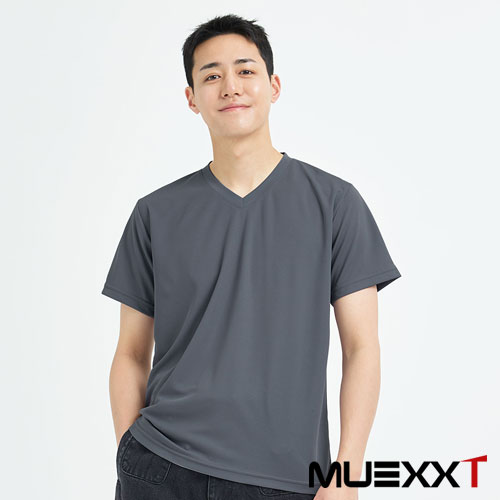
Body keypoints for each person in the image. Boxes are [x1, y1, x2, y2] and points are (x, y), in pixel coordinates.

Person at [102, 13, 401, 500]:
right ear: (191, 98)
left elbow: (362, 347)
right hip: (161, 467)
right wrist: (130, 455)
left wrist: (346, 473)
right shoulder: (155, 213)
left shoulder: (334, 204)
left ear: (273, 86)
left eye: (245, 70)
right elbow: (131, 353)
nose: (231, 87)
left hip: (283, 480)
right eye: (211, 76)